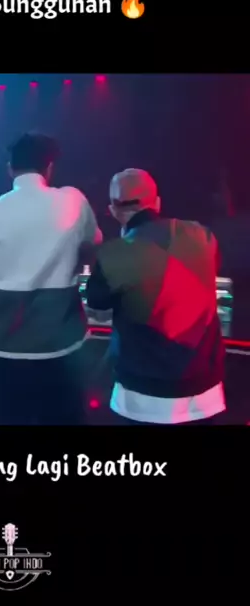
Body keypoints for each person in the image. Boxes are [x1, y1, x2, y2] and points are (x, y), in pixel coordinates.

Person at [0, 132, 103, 424]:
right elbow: (92, 245)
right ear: (49, 168)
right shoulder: (73, 200)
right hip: (60, 344)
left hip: (1, 343)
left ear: (10, 168)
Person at [85, 168, 226, 424]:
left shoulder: (112, 254)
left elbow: (96, 304)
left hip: (140, 398)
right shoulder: (203, 236)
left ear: (113, 210)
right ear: (157, 203)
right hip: (204, 394)